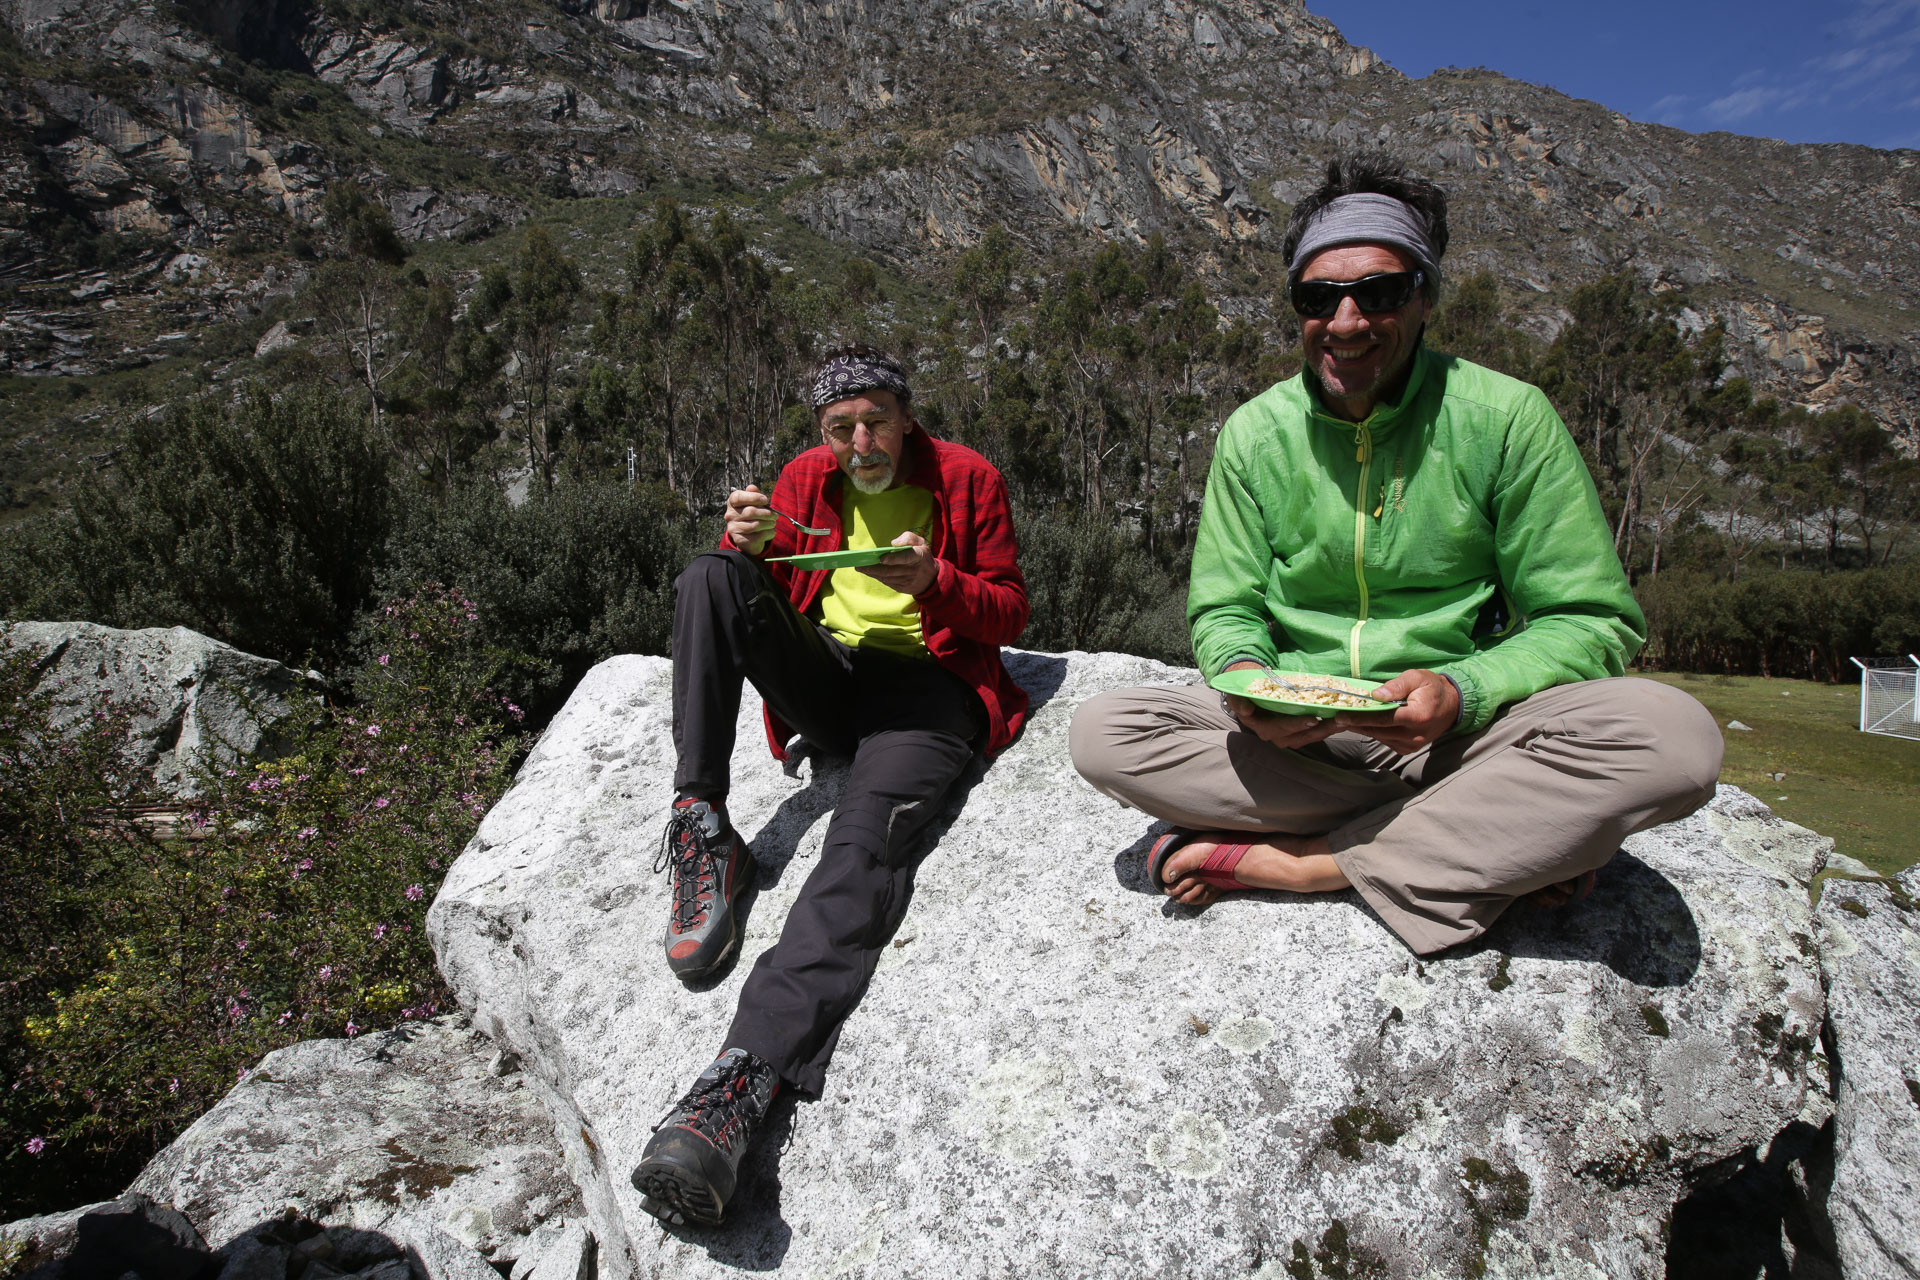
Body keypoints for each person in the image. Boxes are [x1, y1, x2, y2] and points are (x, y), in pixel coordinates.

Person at [1069, 153, 1723, 957]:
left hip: (1462, 738)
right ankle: (1493, 844)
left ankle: (1308, 864)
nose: (1346, 322)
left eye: (1378, 292)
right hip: (1305, 745)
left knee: (1673, 741)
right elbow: (1224, 606)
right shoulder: (1254, 432)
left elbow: (1589, 621)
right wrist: (1246, 683)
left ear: (1425, 297)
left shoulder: (1507, 417)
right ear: (1298, 308)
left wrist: (1465, 689)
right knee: (1108, 732)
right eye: (1319, 298)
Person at [632, 344, 1029, 1227]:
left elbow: (1009, 610)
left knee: (857, 852)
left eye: (875, 422)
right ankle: (703, 827)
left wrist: (939, 581)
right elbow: (785, 592)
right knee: (708, 574)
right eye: (840, 428)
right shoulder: (806, 477)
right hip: (834, 680)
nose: (859, 443)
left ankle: (738, 1085)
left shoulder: (966, 480)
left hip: (929, 689)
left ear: (906, 418)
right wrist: (753, 549)